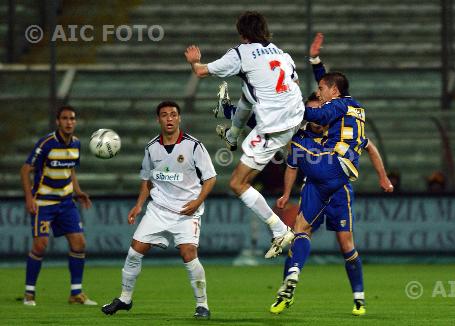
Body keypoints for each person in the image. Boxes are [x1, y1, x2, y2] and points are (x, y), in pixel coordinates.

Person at [185, 11, 304, 258]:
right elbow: (294, 82)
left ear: (242, 34)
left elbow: (201, 72)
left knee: (237, 183)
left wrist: (195, 60)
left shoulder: (240, 52)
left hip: (273, 128)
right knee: (248, 94)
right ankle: (232, 135)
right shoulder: (282, 54)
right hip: (296, 116)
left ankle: (280, 230)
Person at [269, 93, 393, 316]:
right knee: (299, 233)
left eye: (319, 112)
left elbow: (369, 147)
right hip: (312, 188)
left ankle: (359, 299)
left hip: (339, 191)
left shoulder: (339, 129)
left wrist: (382, 177)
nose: (317, 120)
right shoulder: (300, 137)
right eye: (312, 113)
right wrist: (287, 193)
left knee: (346, 246)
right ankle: (286, 291)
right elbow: (292, 166)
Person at [101, 101, 216, 319]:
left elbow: (210, 178)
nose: (169, 118)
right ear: (159, 119)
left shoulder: (194, 146)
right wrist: (138, 205)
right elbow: (147, 180)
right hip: (159, 209)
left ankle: (203, 305)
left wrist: (197, 201)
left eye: (173, 114)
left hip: (186, 211)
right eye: (164, 115)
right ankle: (125, 298)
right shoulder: (151, 148)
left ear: (179, 118)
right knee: (135, 250)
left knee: (188, 253)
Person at [20, 105, 96, 306]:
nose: (69, 122)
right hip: (43, 203)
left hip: (66, 202)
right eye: (65, 118)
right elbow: (25, 169)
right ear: (58, 121)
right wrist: (29, 198)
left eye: (72, 118)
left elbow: (71, 170)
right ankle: (29, 293)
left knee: (79, 244)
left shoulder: (76, 144)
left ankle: (76, 293)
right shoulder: (46, 144)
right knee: (40, 245)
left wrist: (78, 192)